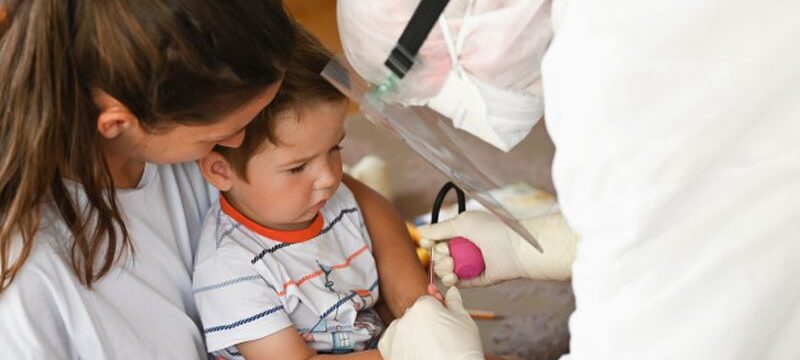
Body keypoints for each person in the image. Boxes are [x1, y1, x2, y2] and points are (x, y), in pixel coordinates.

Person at [338, 1, 800, 360]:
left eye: (433, 70)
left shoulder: (611, 73)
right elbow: (719, 194)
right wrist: (551, 242)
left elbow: (655, 336)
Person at [0, 1, 425, 358]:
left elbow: (348, 198)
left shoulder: (180, 136)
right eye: (221, 134)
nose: (239, 141)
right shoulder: (30, 285)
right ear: (116, 124)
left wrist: (419, 310)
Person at [192, 28, 429, 360]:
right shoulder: (230, 268)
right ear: (221, 171)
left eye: (335, 148)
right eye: (297, 167)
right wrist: (413, 351)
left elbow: (382, 220)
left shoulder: (332, 197)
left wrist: (422, 312)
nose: (330, 177)